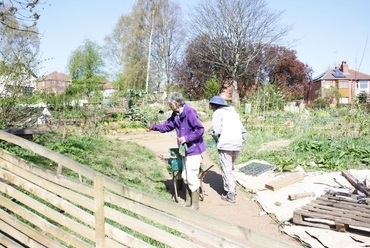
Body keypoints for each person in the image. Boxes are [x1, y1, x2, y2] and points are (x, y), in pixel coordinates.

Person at [149, 92, 206, 210]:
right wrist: (153, 127)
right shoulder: (176, 114)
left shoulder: (189, 112)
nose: (169, 106)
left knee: (192, 177)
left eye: (170, 104)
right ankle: (188, 201)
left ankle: (195, 205)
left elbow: (200, 129)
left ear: (175, 104)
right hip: (184, 150)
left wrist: (186, 138)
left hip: (194, 149)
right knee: (185, 175)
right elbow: (166, 126)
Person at [209, 96, 247, 203]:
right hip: (237, 142)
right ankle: (233, 187)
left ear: (214, 105)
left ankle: (231, 194)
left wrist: (217, 140)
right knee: (231, 167)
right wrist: (240, 141)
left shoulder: (218, 112)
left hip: (226, 143)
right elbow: (243, 131)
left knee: (226, 168)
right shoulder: (234, 113)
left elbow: (216, 131)